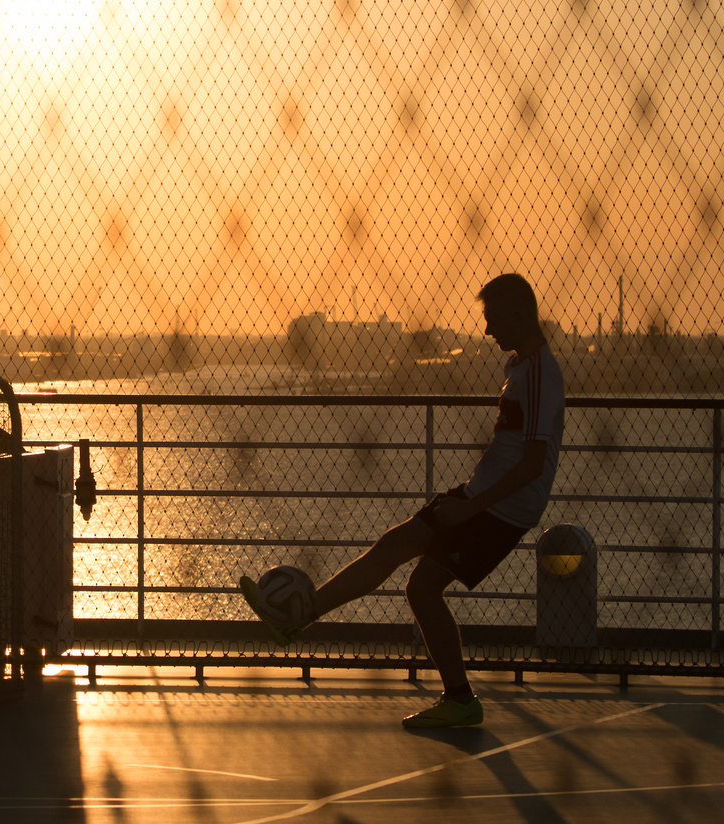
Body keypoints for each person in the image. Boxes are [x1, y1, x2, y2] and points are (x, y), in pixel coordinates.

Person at [241, 273, 564, 728]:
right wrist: (468, 500)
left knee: (422, 588)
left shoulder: (541, 376)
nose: (487, 331)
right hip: (477, 498)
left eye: (492, 320)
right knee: (392, 547)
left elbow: (532, 465)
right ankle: (300, 617)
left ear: (516, 315)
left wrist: (469, 509)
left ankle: (460, 699)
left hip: (498, 511)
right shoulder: (521, 367)